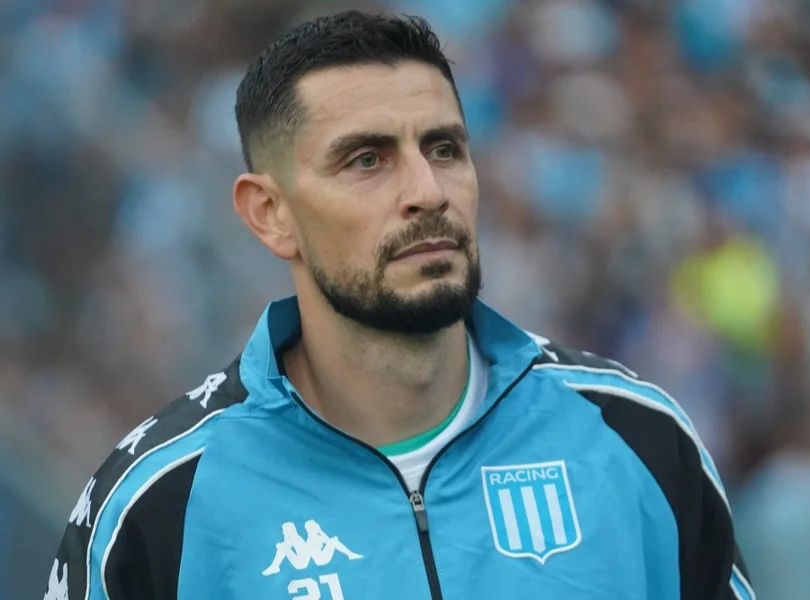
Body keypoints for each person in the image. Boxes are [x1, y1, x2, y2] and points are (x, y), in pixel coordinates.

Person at [45, 10, 755, 600]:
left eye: (444, 149)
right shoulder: (158, 504)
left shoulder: (635, 437)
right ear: (270, 214)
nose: (428, 191)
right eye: (367, 160)